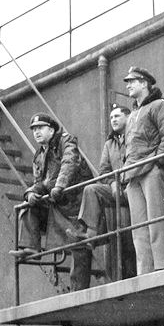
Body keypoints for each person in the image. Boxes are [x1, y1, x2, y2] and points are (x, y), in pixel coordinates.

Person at [10, 113, 93, 290]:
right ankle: (32, 247)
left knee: (78, 243)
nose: (36, 132)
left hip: (77, 200)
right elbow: (39, 182)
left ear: (51, 129)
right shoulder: (39, 155)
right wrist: (31, 193)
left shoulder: (66, 141)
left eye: (40, 128)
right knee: (28, 205)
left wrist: (59, 186)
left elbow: (69, 163)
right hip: (59, 201)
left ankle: (79, 290)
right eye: (34, 129)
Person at [114, 66, 164, 274]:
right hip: (133, 175)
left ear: (144, 83)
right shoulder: (132, 114)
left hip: (151, 170)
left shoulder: (160, 105)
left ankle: (161, 269)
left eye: (133, 81)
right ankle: (145, 273)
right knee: (139, 229)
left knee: (156, 222)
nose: (129, 85)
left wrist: (159, 163)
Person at [66, 104, 136, 287]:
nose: (113, 119)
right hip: (116, 188)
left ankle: (93, 236)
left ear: (128, 117)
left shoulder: (134, 136)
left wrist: (125, 183)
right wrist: (113, 184)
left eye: (117, 116)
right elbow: (104, 171)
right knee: (91, 189)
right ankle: (91, 233)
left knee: (129, 240)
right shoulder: (109, 143)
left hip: (135, 186)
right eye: (111, 117)